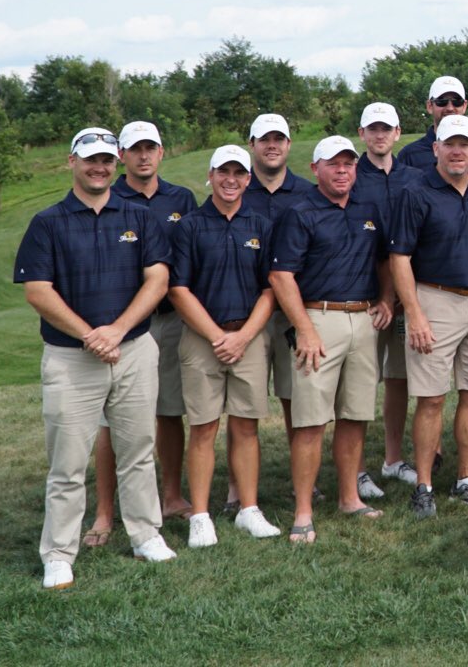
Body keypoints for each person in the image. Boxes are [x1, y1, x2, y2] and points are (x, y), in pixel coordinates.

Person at [15, 127, 175, 591]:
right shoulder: (48, 222)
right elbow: (37, 291)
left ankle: (146, 534)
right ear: (72, 162)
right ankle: (59, 553)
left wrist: (119, 330)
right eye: (91, 160)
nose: (100, 167)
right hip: (71, 357)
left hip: (134, 349)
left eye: (107, 160)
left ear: (117, 162)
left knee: (138, 451)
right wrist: (91, 335)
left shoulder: (140, 217)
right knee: (66, 462)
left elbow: (158, 279)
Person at [268, 136, 394, 542]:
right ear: (315, 168)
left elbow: (384, 259)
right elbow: (281, 275)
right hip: (318, 320)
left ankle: (348, 498)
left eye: (348, 164)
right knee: (309, 421)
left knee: (355, 415)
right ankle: (303, 510)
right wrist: (304, 328)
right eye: (334, 164)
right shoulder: (300, 212)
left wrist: (387, 298)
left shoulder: (367, 209)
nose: (342, 171)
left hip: (363, 319)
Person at [81, 121, 197, 547]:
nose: (144, 156)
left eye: (151, 148)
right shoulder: (109, 196)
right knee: (113, 422)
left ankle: (170, 495)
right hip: (120, 326)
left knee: (168, 411)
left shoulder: (181, 198)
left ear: (162, 152)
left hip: (169, 320)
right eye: (135, 149)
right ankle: (105, 512)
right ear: (121, 156)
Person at [388, 114, 468, 517]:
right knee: (432, 398)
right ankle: (423, 486)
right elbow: (399, 257)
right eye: (449, 144)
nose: (457, 151)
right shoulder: (416, 192)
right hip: (434, 299)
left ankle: (467, 480)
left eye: (464, 145)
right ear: (435, 147)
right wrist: (416, 314)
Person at [168, 145, 283, 546]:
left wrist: (245, 336)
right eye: (223, 172)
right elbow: (178, 290)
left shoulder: (261, 224)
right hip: (204, 340)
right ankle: (200, 515)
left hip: (248, 337)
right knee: (202, 428)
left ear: (248, 179)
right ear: (210, 175)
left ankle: (248, 509)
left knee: (247, 427)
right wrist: (219, 337)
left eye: (239, 173)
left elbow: (271, 288)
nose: (231, 179)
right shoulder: (190, 226)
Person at [347, 102, 416, 496]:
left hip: (408, 291)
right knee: (359, 382)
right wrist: (382, 295)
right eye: (372, 129)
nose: (379, 135)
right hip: (365, 293)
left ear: (397, 132)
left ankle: (392, 459)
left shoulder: (414, 177)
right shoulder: (351, 176)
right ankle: (356, 470)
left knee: (399, 377)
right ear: (362, 133)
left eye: (385, 129)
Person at [238, 112, 317, 455]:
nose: (272, 146)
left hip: (291, 309)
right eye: (264, 140)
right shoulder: (236, 187)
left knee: (295, 395)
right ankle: (237, 487)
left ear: (288, 144)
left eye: (278, 139)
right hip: (245, 308)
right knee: (244, 403)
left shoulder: (307, 193)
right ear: (252, 144)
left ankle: (304, 477)